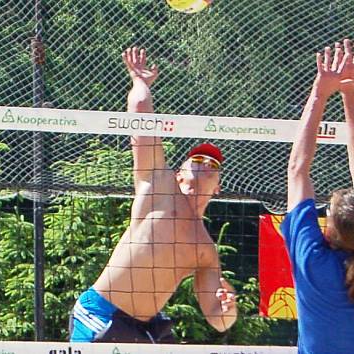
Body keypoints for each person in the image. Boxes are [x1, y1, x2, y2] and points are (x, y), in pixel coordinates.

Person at [69, 47, 238, 343]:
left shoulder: (204, 249)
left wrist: (227, 307)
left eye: (213, 164)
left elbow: (218, 319)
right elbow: (142, 122)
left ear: (218, 187)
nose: (205, 164)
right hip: (102, 313)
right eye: (197, 159)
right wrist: (140, 83)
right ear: (179, 174)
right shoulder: (158, 187)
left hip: (147, 328)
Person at [282, 39, 354, 353]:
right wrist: (350, 93)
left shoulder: (315, 261)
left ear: (329, 232)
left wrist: (322, 91)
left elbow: (298, 168)